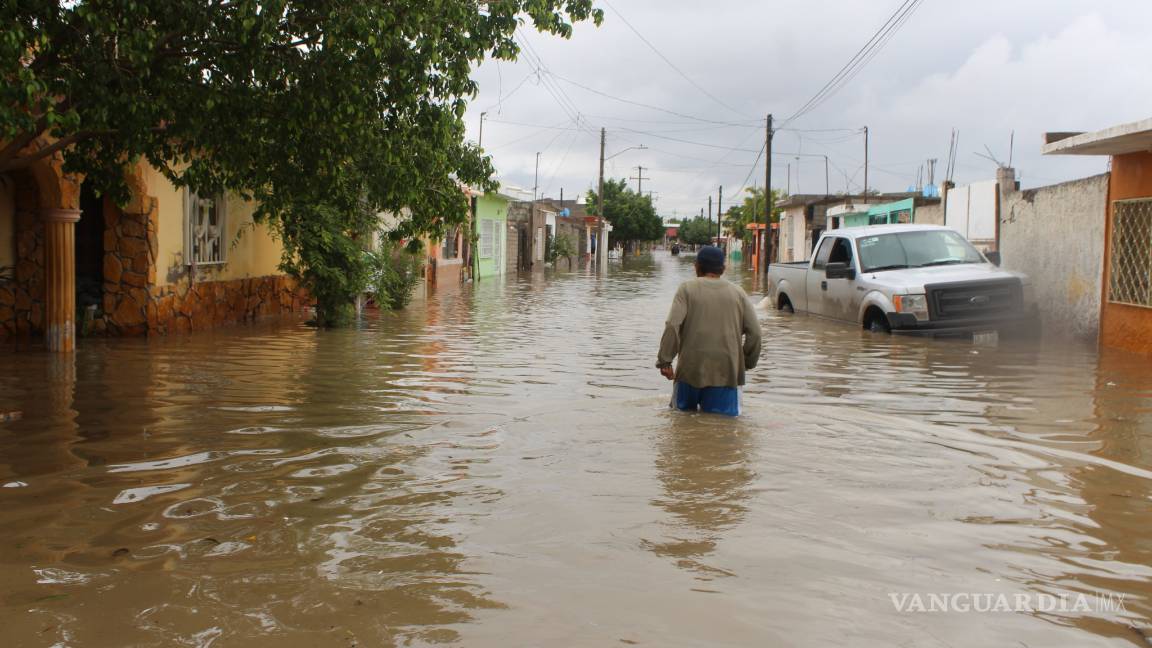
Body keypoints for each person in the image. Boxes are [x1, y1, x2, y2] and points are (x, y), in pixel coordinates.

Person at [657, 246, 761, 416]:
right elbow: (755, 333)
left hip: (688, 372)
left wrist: (665, 361)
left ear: (696, 267)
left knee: (680, 424)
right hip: (726, 374)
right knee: (722, 429)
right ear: (723, 268)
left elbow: (672, 325)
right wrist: (746, 363)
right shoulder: (738, 293)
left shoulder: (686, 289)